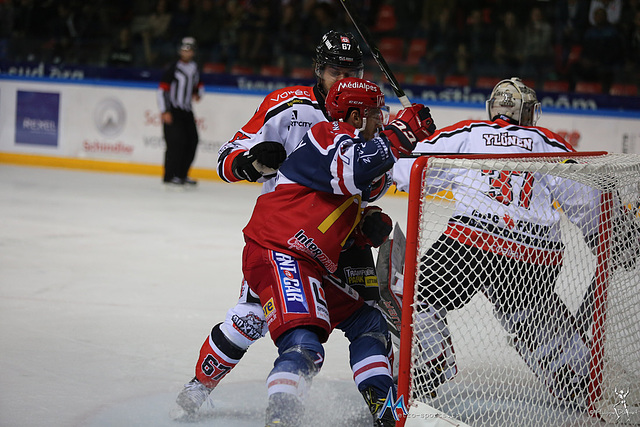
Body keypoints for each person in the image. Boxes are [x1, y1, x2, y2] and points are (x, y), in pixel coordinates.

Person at [171, 31, 401, 422]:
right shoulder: (285, 105)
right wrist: (252, 162)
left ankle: (382, 405)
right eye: (334, 71)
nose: (343, 79)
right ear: (317, 70)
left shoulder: (368, 111)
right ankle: (200, 388)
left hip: (344, 236)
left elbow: (375, 179)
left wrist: (365, 220)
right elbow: (227, 157)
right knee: (252, 316)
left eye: (351, 71)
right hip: (289, 237)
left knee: (371, 322)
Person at [392, 77, 600, 402]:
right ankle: (573, 374)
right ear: (527, 112)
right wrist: (602, 237)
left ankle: (431, 359)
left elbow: (407, 176)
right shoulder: (546, 140)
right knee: (529, 314)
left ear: (493, 108)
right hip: (534, 255)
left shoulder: (466, 132)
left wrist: (415, 141)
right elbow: (584, 197)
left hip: (469, 245)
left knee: (420, 293)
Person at [242, 77, 434, 426]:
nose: (382, 120)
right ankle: (281, 417)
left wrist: (363, 228)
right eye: (377, 114)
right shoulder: (326, 135)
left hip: (308, 259)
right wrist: (402, 133)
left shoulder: (347, 146)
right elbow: (356, 167)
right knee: (304, 342)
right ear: (357, 114)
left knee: (369, 323)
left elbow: (330, 206)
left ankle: (382, 405)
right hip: (280, 251)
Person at [156, 36, 203, 187]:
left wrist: (197, 93)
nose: (186, 52)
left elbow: (198, 85)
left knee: (192, 141)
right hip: (173, 110)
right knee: (175, 143)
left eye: (189, 50)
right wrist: (165, 110)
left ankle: (182, 174)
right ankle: (170, 175)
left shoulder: (194, 68)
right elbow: (162, 90)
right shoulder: (173, 67)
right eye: (184, 49)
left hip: (187, 110)